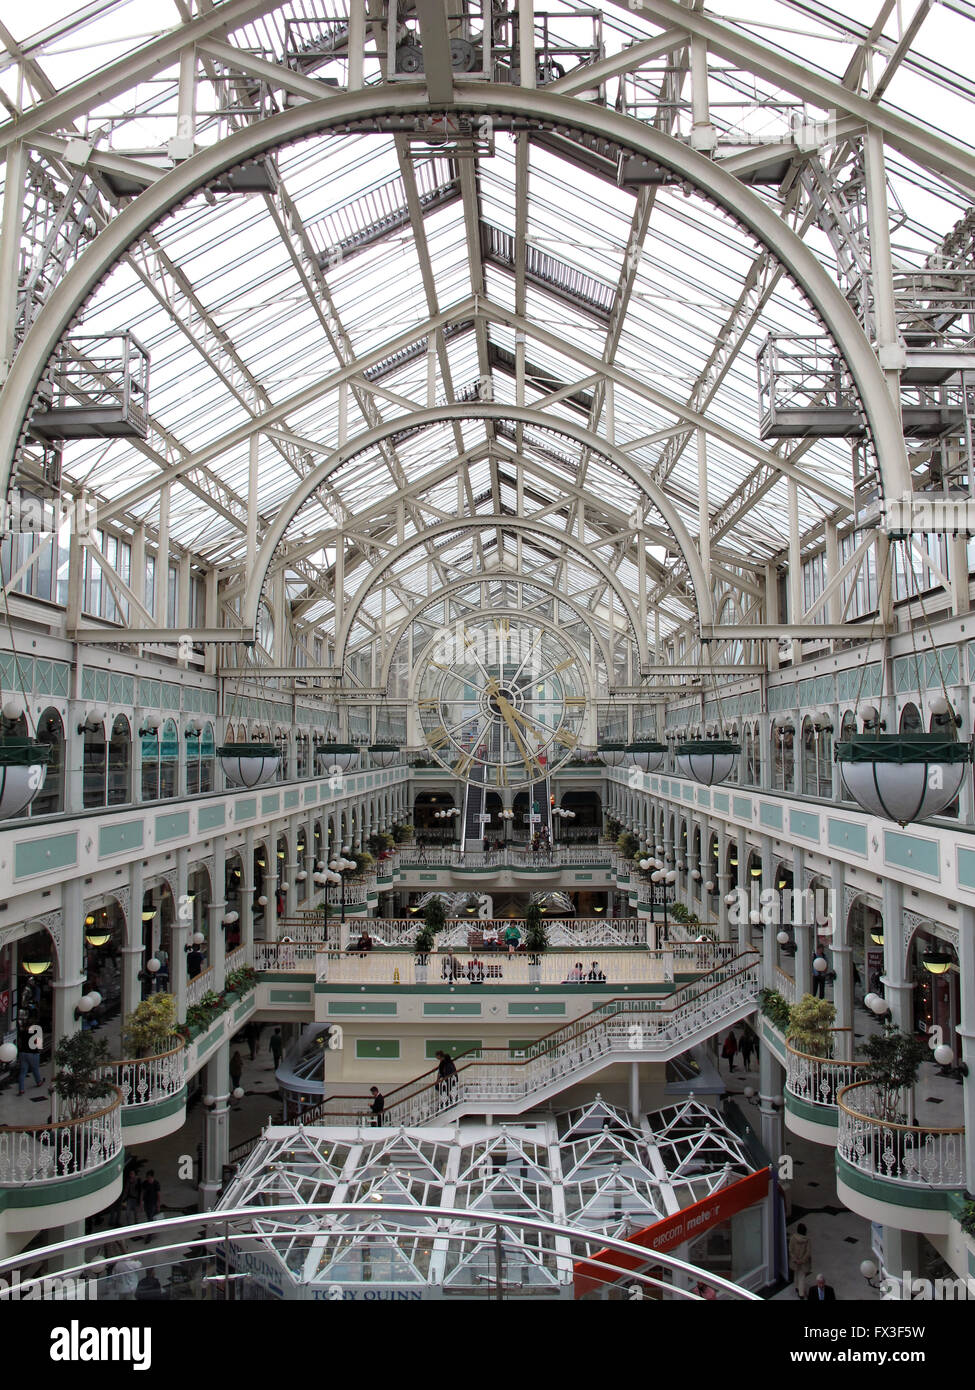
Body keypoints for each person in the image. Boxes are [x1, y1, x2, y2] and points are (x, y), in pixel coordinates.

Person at [16, 1011, 43, 1094]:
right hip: (32, 1053)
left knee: (23, 1071)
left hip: (22, 1053)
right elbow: (38, 1044)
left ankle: (21, 1089)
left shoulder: (22, 1032)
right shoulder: (36, 1032)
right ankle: (38, 1081)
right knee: (35, 1069)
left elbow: (19, 1042)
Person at [788, 1223, 813, 1298]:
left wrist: (795, 1259)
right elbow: (808, 1252)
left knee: (796, 1273)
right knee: (802, 1277)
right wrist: (802, 1260)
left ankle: (796, 1287)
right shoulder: (807, 1240)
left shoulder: (793, 1238)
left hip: (795, 1262)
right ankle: (801, 1293)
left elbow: (790, 1250)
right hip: (803, 1263)